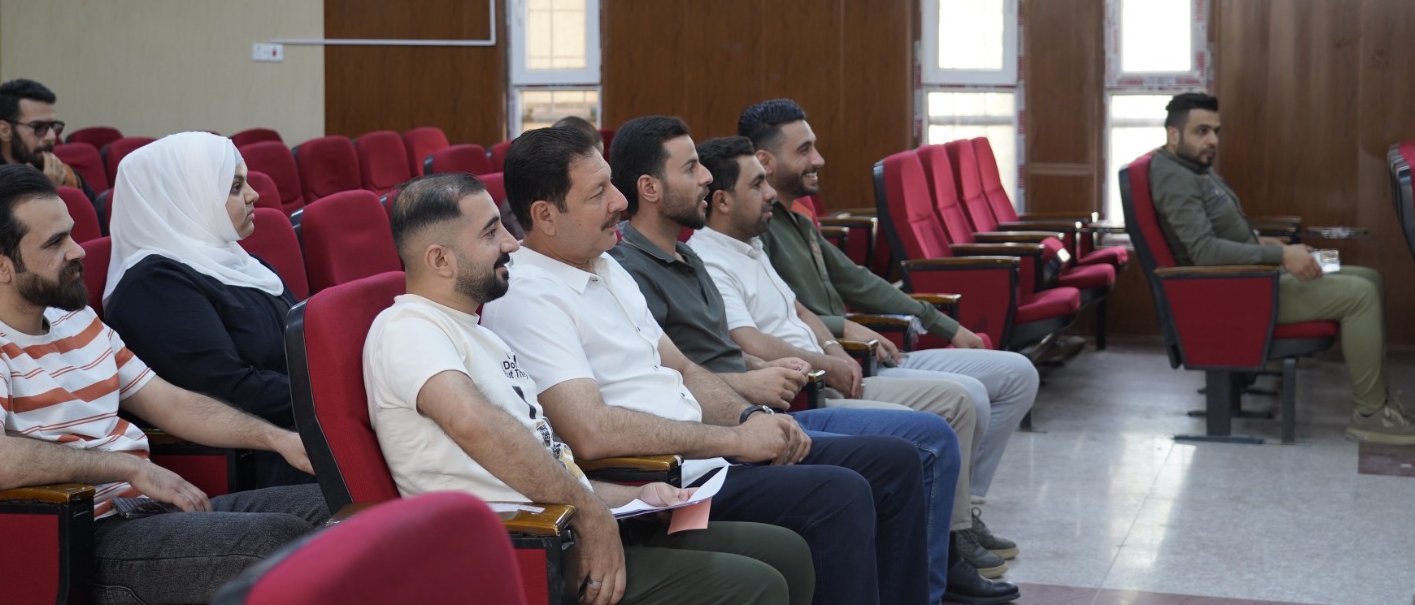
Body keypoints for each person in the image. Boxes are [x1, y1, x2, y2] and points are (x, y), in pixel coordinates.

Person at [481, 125, 931, 605]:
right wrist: (736, 439)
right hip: (663, 483)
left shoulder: (605, 264)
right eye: (598, 193)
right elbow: (589, 431)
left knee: (895, 462)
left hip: (708, 455)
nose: (619, 201)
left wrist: (750, 418)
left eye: (612, 183)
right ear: (546, 216)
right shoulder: (530, 297)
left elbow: (685, 369)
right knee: (840, 495)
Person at [605, 118, 1017, 604]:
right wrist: (748, 396)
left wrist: (763, 373)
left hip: (749, 410)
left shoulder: (685, 256)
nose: (706, 178)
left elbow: (710, 354)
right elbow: (667, 379)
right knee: (867, 477)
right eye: (691, 168)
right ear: (650, 188)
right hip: (707, 441)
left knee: (904, 456)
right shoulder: (627, 269)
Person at [367, 173, 815, 605]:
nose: (510, 243)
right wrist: (590, 514)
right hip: (516, 552)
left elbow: (547, 458)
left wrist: (632, 496)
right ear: (439, 260)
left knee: (788, 554)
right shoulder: (408, 327)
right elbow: (475, 425)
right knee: (756, 585)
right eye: (490, 233)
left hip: (567, 525)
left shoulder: (479, 333)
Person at [0, 166, 328, 605]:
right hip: (82, 543)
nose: (78, 250)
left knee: (338, 504)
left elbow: (171, 404)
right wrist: (131, 468)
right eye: (55, 243)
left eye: (71, 234)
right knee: (280, 541)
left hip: (150, 515)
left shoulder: (78, 321)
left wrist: (277, 439)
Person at [739, 99, 1040, 516]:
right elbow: (774, 320)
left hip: (863, 351)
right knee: (968, 396)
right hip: (837, 362)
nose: (818, 159)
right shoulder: (754, 231)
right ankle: (956, 522)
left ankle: (963, 504)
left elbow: (858, 281)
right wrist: (842, 328)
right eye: (804, 150)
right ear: (764, 161)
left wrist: (946, 326)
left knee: (1019, 374)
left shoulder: (800, 219)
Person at [1149, 91, 1415, 445]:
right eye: (1201, 131)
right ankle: (1371, 415)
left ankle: (1384, 403)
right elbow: (1205, 252)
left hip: (1251, 276)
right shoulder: (1175, 178)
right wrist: (1282, 257)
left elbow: (1218, 232)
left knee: (1369, 277)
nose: (1213, 141)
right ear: (1173, 134)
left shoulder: (1192, 167)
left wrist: (1267, 244)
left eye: (1216, 131)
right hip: (1237, 293)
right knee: (1359, 295)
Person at [103, 132, 307, 486]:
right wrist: (331, 393)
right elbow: (229, 391)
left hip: (302, 426)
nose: (253, 195)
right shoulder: (153, 286)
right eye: (235, 186)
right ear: (185, 197)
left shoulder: (242, 262)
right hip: (260, 456)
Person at [0, 78, 92, 196]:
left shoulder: (69, 177)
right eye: (38, 126)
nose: (51, 136)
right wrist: (48, 191)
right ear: (4, 131)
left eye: (53, 126)